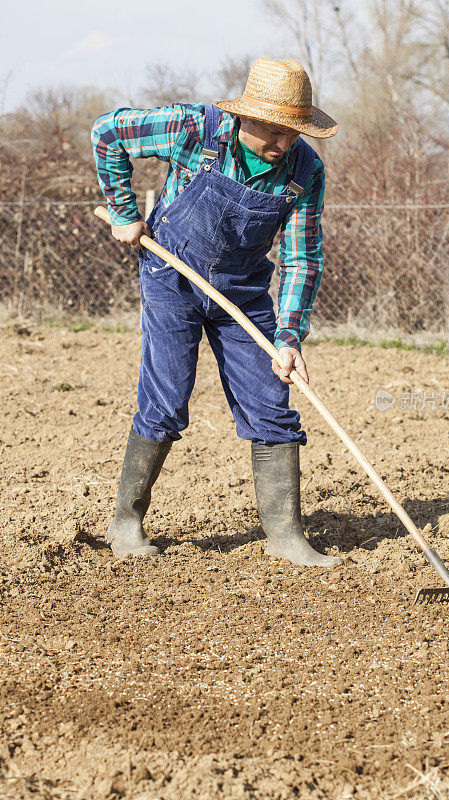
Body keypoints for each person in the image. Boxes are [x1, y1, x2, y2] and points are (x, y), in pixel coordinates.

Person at [91, 57, 341, 567]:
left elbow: (300, 257)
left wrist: (290, 336)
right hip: (171, 278)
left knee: (272, 399)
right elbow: (107, 132)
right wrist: (123, 211)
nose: (284, 144)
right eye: (275, 131)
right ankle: (126, 520)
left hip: (243, 293)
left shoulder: (305, 171)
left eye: (294, 132)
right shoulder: (194, 128)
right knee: (167, 396)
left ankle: (286, 534)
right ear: (246, 116)